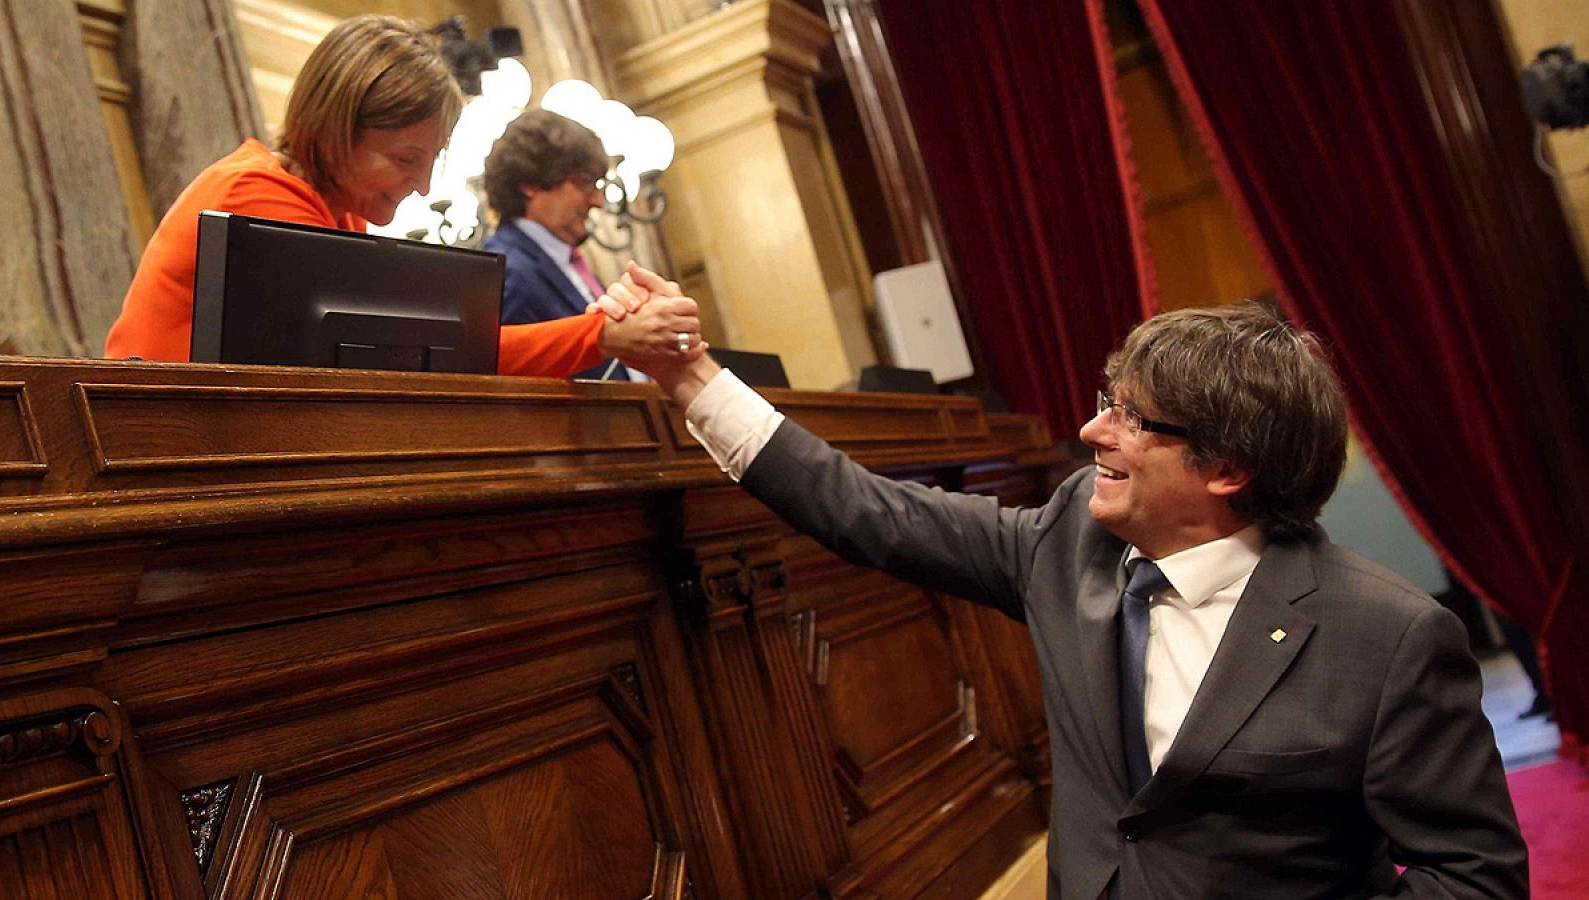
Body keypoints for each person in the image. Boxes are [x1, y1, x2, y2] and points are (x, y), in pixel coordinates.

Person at [612, 264, 1527, 899]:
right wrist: (689, 374)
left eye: (1134, 420)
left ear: (1227, 469)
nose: (1093, 434)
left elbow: (1473, 878)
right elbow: (865, 511)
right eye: (1106, 403)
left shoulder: (1388, 635)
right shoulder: (1068, 547)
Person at [106, 15, 700, 377]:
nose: (423, 187)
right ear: (334, 128)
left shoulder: (337, 213)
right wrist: (599, 334)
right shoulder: (259, 198)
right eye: (405, 159)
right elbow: (423, 351)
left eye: (432, 161)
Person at [480, 109, 638, 380]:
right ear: (530, 183)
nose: (599, 201)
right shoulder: (505, 270)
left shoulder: (562, 257)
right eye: (585, 183)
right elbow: (505, 380)